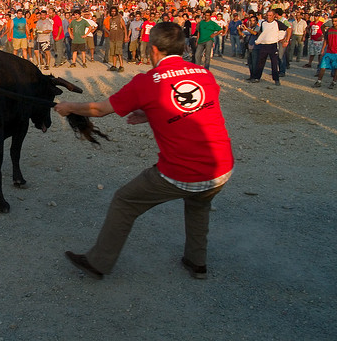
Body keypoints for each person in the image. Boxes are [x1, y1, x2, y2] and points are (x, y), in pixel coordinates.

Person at [55, 22, 234, 280]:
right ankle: (197, 263)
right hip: (222, 168)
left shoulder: (147, 82)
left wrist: (70, 107)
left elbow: (101, 109)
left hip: (182, 172)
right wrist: (153, 114)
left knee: (125, 201)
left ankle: (98, 262)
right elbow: (197, 108)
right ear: (183, 47)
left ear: (152, 50)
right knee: (198, 205)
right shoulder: (203, 73)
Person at [249, 10, 288, 85]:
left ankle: (276, 79)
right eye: (267, 15)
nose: (268, 17)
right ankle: (257, 77)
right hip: (264, 45)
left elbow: (288, 29)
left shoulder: (277, 23)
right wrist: (259, 40)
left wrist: (286, 39)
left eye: (270, 15)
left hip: (272, 45)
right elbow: (261, 32)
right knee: (260, 63)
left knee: (274, 64)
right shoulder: (263, 23)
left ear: (274, 16)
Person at [313, 16, 337, 89]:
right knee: (323, 67)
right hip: (329, 51)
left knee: (336, 68)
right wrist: (323, 49)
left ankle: (334, 82)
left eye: (336, 21)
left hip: (336, 53)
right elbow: (326, 40)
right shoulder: (329, 30)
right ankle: (319, 81)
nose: (334, 22)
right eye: (333, 21)